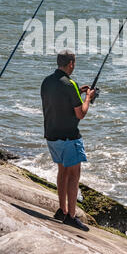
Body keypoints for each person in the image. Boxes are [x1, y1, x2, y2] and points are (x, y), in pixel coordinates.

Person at [40, 50, 95, 231]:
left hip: (52, 136)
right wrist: (87, 98)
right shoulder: (69, 84)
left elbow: (58, 98)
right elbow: (80, 113)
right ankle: (71, 216)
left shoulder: (47, 82)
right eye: (74, 63)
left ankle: (62, 210)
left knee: (62, 172)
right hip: (69, 137)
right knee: (73, 175)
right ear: (71, 63)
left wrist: (78, 91)